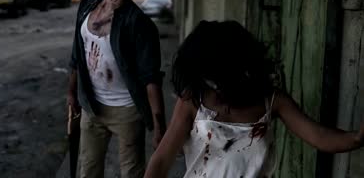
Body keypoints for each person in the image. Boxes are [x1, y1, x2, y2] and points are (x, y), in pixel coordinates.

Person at [144, 20, 364, 178]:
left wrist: (356, 138)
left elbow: (318, 136)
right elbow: (162, 159)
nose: (213, 85)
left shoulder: (272, 101)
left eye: (217, 76)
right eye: (206, 76)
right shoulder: (194, 100)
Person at [67, 0, 167, 178]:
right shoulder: (86, 7)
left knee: (131, 173)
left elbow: (151, 79)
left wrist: (159, 125)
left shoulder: (140, 25)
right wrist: (72, 93)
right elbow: (76, 56)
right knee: (88, 170)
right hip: (92, 106)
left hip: (127, 110)